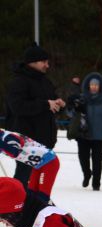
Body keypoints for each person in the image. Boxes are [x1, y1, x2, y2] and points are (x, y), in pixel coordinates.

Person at [5, 44, 63, 191]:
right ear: (33, 62)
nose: (47, 65)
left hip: (44, 141)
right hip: (26, 142)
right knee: (23, 179)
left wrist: (58, 103)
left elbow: (50, 101)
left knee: (38, 184)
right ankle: (14, 208)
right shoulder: (19, 82)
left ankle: (33, 208)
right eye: (44, 62)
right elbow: (17, 107)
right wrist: (45, 104)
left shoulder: (45, 81)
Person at [69, 73, 102, 191]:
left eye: (96, 85)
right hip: (83, 135)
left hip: (100, 136)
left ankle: (96, 182)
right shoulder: (81, 99)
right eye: (92, 84)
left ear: (100, 86)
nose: (93, 87)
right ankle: (87, 174)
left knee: (97, 159)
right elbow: (71, 114)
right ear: (88, 86)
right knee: (83, 157)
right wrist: (74, 107)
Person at [0, 128, 59, 200]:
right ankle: (33, 209)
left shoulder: (8, 137)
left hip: (49, 162)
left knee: (43, 195)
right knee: (31, 192)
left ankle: (47, 210)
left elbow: (14, 152)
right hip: (37, 165)